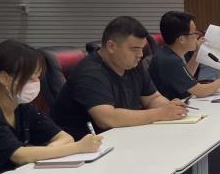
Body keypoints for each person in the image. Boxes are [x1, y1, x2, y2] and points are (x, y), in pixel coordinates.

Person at [0, 41, 103, 174]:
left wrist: (46, 153)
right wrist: (77, 148)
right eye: (30, 78)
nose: (36, 83)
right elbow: (19, 156)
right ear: (4, 78)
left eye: (38, 77)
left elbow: (65, 137)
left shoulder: (22, 106)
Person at [52, 16, 187, 140]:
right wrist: (159, 113)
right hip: (82, 148)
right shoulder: (90, 72)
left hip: (121, 138)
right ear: (111, 46)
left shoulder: (134, 65)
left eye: (142, 48)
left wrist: (171, 108)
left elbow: (152, 98)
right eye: (134, 49)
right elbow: (106, 119)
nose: (140, 54)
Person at [150, 11, 220, 101]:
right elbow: (200, 91)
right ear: (181, 39)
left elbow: (186, 76)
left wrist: (197, 53)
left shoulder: (167, 53)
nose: (197, 36)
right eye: (194, 33)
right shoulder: (169, 60)